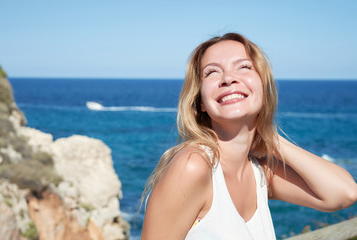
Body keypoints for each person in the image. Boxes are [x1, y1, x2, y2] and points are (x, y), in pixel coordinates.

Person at [140, 33, 357, 240]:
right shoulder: (194, 166)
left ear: (263, 87)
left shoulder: (260, 173)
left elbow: (345, 193)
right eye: (212, 72)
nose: (228, 78)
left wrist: (270, 138)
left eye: (244, 67)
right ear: (201, 103)